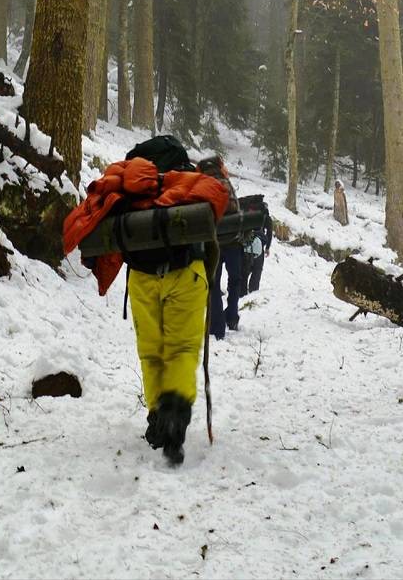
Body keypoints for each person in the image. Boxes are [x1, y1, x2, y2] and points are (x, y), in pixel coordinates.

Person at [61, 136, 228, 466]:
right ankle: (175, 414)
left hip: (141, 278)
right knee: (181, 349)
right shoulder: (187, 178)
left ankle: (156, 416)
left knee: (151, 353)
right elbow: (218, 203)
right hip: (187, 273)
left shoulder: (128, 185)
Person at [197, 154, 245, 338]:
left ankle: (216, 328)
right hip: (233, 241)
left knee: (214, 284)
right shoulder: (226, 183)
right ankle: (232, 317)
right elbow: (236, 208)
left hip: (214, 243)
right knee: (235, 281)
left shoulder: (202, 183)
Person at [246, 204, 273, 293]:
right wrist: (267, 247)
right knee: (257, 271)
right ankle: (253, 293)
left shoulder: (248, 214)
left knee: (244, 272)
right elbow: (269, 233)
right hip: (258, 248)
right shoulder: (266, 218)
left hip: (246, 247)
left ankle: (240, 293)